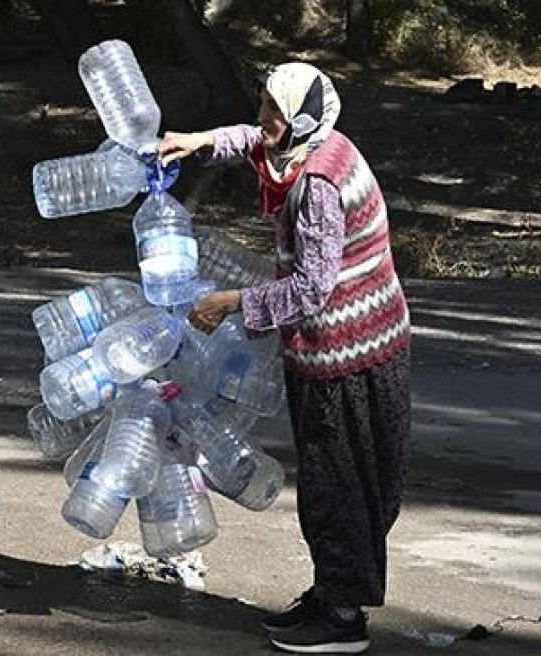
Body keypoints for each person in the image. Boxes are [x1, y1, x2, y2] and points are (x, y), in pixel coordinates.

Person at [158, 62, 411, 654]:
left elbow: (310, 290)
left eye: (275, 110)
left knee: (340, 485)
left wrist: (228, 303)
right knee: (343, 481)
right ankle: (333, 594)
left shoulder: (317, 185)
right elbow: (253, 140)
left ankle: (343, 616)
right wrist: (196, 142)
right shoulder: (314, 145)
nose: (263, 120)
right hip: (364, 342)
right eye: (264, 105)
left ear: (299, 117)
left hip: (348, 355)